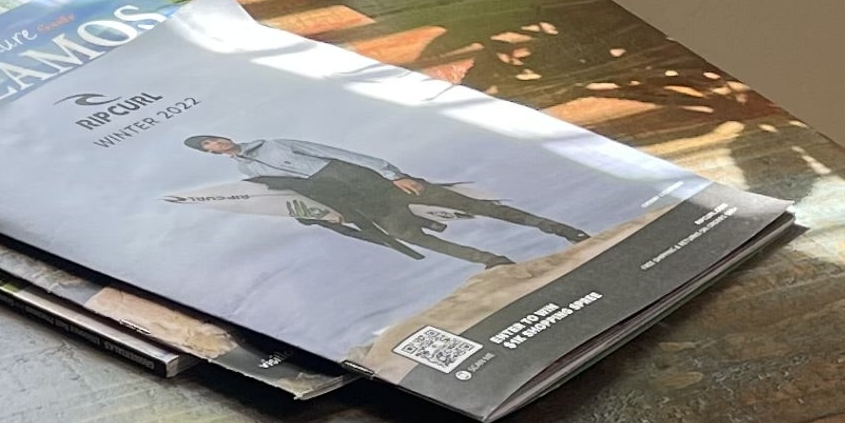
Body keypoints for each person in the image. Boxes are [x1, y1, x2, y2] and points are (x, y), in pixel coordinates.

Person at [177, 133, 588, 270]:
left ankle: (560, 229)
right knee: (409, 236)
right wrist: (331, 213)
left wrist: (396, 174)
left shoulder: (274, 142)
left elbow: (342, 154)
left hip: (365, 178)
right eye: (208, 147)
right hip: (343, 197)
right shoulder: (244, 173)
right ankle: (493, 262)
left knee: (476, 205)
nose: (216, 146)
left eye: (213, 139)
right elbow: (296, 193)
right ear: (210, 153)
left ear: (222, 136)